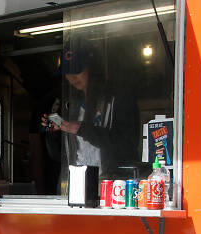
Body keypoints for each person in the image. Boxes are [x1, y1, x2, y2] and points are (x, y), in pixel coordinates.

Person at [42, 46, 141, 185]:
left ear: (93, 69)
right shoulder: (69, 106)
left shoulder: (119, 101)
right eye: (67, 72)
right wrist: (53, 134)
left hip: (113, 188)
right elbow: (58, 157)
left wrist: (82, 129)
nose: (72, 76)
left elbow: (127, 147)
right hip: (76, 185)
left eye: (77, 70)